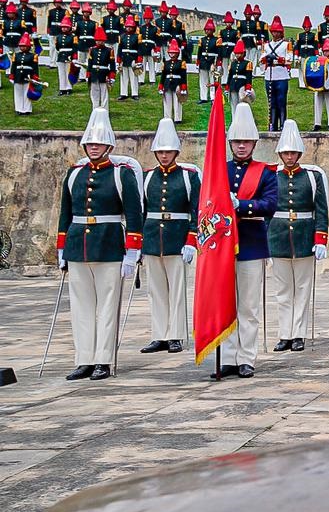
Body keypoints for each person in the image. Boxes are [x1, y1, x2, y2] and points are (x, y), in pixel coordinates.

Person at [56, 108, 143, 380]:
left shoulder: (121, 173)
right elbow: (65, 213)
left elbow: (133, 213)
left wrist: (132, 253)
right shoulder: (74, 173)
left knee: (107, 305)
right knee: (81, 306)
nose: (93, 148)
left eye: (99, 144)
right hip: (77, 246)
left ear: (109, 145)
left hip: (109, 245)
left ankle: (103, 360)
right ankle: (84, 358)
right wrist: (61, 249)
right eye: (90, 144)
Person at [216, 103, 279, 379]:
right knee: (225, 303)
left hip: (251, 243)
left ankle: (246, 357)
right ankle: (228, 357)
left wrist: (239, 205)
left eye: (246, 142)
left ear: (254, 144)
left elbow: (269, 205)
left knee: (249, 305)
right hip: (222, 245)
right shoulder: (220, 170)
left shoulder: (265, 173)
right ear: (230, 143)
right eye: (237, 142)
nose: (241, 146)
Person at [139, 118, 200, 355]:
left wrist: (191, 239)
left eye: (168, 151)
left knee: (177, 289)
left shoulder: (188, 176)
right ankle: (159, 334)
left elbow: (195, 209)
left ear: (176, 152)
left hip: (177, 237)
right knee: (155, 290)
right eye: (160, 151)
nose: (164, 155)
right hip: (153, 238)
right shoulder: (147, 177)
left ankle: (176, 334)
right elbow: (142, 211)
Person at [268, 120, 329, 354]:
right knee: (283, 291)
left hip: (304, 237)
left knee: (303, 289)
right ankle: (285, 334)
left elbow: (321, 209)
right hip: (279, 237)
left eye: (293, 152)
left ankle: (299, 333)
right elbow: (265, 212)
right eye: (286, 153)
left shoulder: (312, 177)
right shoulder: (272, 176)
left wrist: (320, 238)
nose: (289, 156)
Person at [260, 16, 291, 133]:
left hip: (281, 75)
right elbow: (261, 60)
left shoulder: (286, 44)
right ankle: (272, 124)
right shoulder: (266, 45)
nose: (275, 34)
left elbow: (289, 60)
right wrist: (267, 59)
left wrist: (277, 59)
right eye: (273, 32)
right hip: (270, 75)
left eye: (277, 32)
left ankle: (283, 124)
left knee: (281, 101)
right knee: (271, 102)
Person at [311, 38, 329, 131]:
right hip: (318, 85)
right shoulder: (318, 60)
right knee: (317, 104)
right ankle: (317, 123)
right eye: (325, 51)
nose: (327, 53)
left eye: (328, 51)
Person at [8, 33, 38, 115]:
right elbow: (13, 66)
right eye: (21, 46)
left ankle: (27, 109)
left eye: (24, 46)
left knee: (26, 93)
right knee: (18, 93)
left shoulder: (33, 56)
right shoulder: (16, 55)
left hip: (27, 75)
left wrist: (35, 76)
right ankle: (19, 108)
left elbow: (35, 67)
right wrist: (12, 75)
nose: (22, 48)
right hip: (18, 75)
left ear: (28, 47)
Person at [115, 15, 143, 101]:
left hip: (133, 58)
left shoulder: (137, 36)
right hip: (124, 58)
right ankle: (124, 93)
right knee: (123, 77)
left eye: (130, 27)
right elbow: (119, 49)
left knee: (134, 76)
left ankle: (135, 93)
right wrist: (119, 59)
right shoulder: (121, 36)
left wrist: (138, 60)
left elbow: (139, 49)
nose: (129, 29)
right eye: (127, 27)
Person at [87, 26, 114, 109]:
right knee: (94, 93)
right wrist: (88, 74)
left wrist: (112, 76)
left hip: (104, 73)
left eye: (101, 41)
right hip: (94, 73)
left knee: (104, 93)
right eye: (98, 40)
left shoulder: (109, 50)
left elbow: (112, 65)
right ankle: (95, 109)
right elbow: (90, 63)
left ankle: (104, 109)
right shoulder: (92, 50)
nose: (99, 42)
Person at [195, 19, 220, 102]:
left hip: (212, 61)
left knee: (212, 79)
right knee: (202, 79)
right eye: (206, 30)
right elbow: (199, 52)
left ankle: (213, 97)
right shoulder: (202, 40)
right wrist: (198, 61)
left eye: (209, 30)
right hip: (203, 61)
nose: (207, 31)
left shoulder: (216, 40)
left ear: (212, 31)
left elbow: (219, 52)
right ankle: (203, 97)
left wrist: (218, 62)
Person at [54, 15, 76, 95]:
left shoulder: (73, 37)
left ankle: (69, 88)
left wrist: (73, 56)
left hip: (68, 55)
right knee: (61, 72)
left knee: (68, 72)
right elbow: (57, 47)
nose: (64, 29)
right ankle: (62, 88)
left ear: (69, 28)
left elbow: (75, 48)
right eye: (63, 27)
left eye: (66, 27)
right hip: (61, 56)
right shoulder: (58, 37)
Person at [295, 16, 318, 90]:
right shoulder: (300, 35)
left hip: (310, 53)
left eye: (308, 27)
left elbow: (315, 45)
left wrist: (316, 54)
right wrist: (296, 55)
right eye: (305, 27)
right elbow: (297, 46)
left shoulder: (313, 35)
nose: (307, 28)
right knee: (301, 69)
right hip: (302, 53)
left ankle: (309, 83)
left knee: (309, 68)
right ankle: (302, 83)